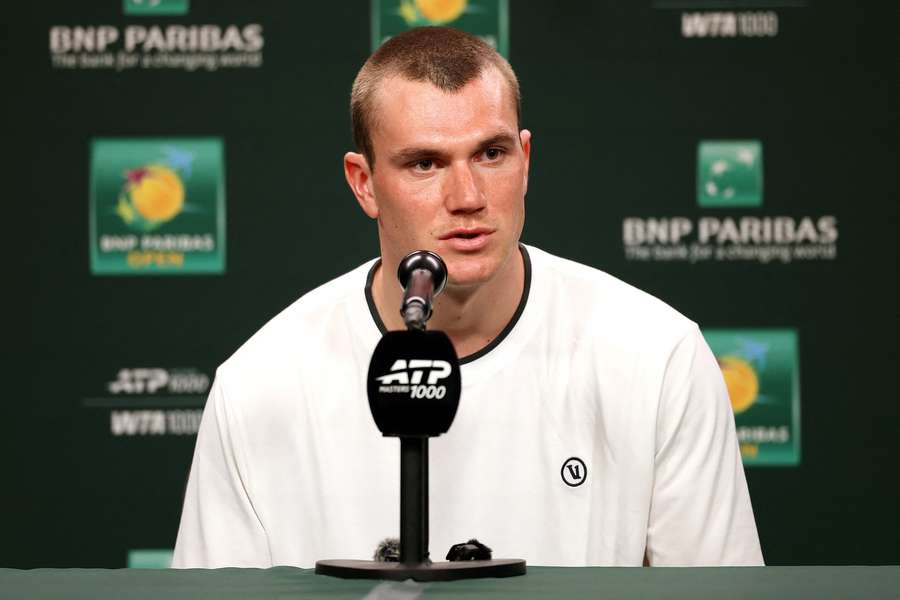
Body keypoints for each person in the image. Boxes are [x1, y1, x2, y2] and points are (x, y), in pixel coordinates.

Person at [172, 27, 763, 568]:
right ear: (364, 183)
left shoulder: (658, 357)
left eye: (491, 154)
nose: (468, 196)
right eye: (425, 163)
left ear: (525, 161)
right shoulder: (259, 383)